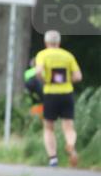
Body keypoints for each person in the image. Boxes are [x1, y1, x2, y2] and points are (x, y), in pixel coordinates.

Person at [34, 30, 83, 167]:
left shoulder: (43, 54)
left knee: (49, 128)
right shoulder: (68, 55)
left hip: (51, 93)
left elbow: (38, 71)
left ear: (46, 42)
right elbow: (78, 76)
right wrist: (67, 80)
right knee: (68, 127)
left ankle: (53, 158)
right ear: (59, 42)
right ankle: (71, 145)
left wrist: (44, 80)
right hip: (67, 93)